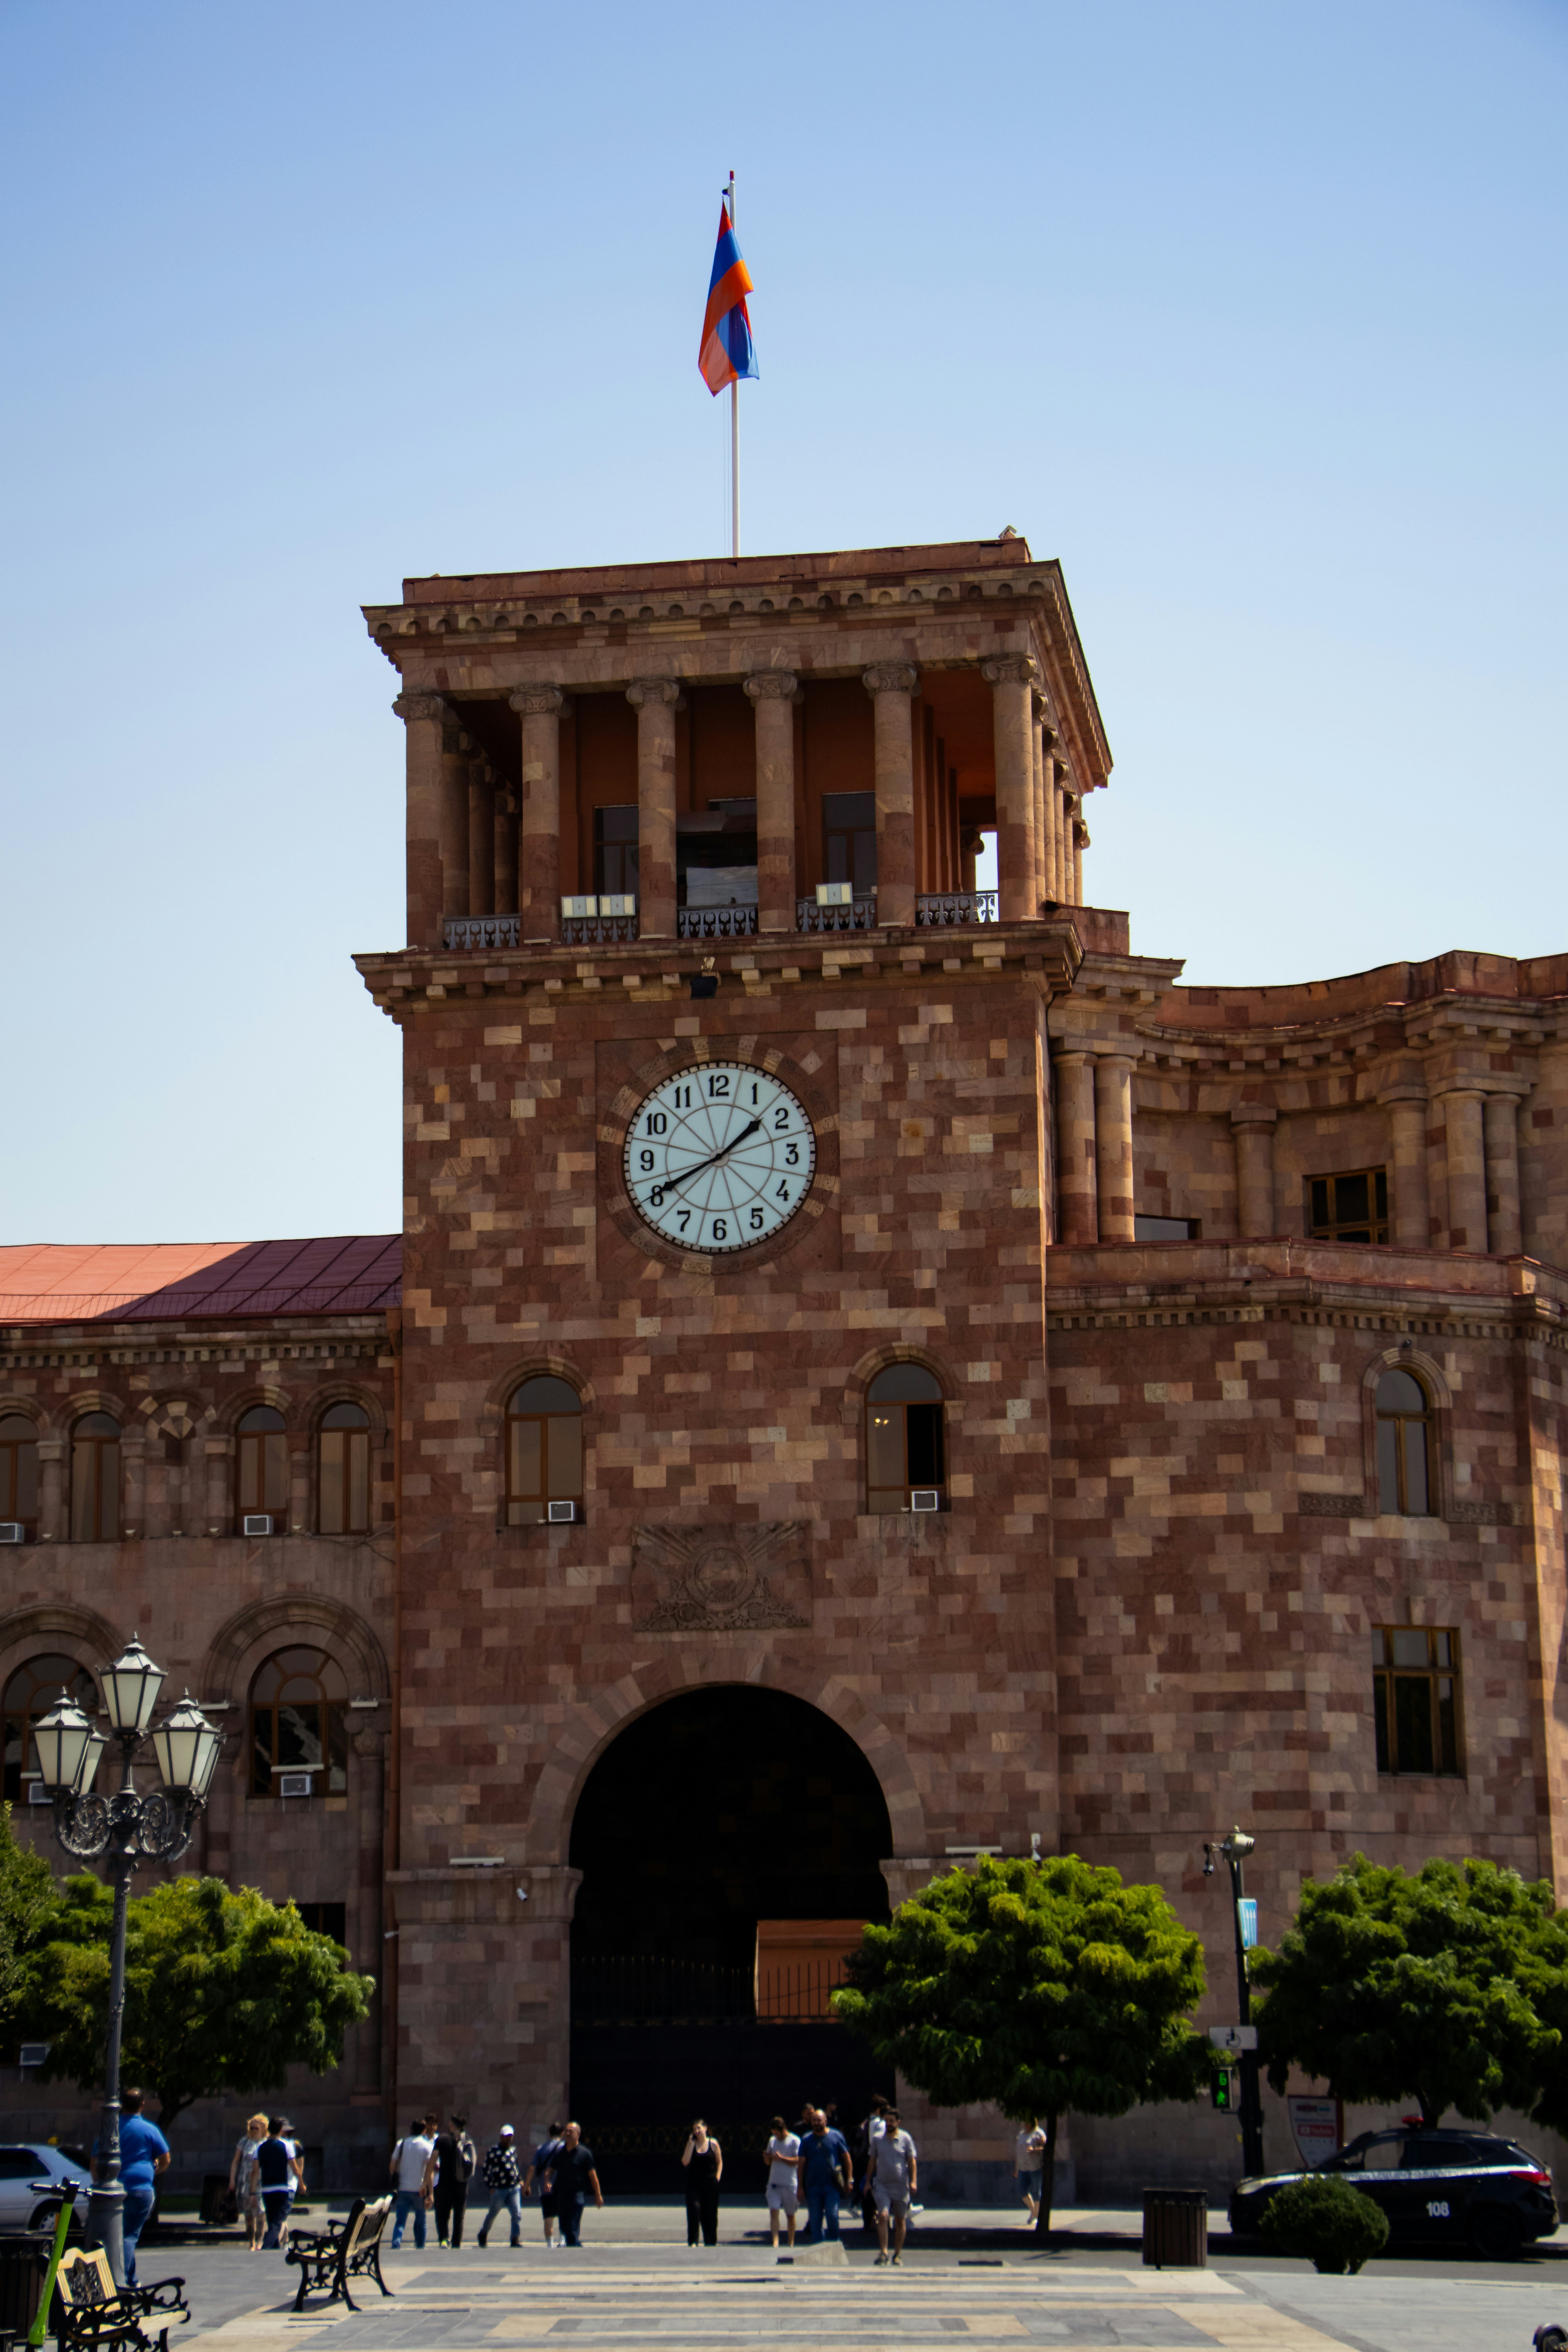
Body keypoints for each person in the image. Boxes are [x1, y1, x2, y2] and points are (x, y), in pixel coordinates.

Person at [94, 2088, 170, 2286]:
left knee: (126, 2235)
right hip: (141, 2190)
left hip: (114, 2190)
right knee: (128, 2236)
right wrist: (154, 2172)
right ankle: (122, 2282)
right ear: (142, 2105)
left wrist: (98, 2182)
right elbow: (165, 2159)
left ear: (121, 2106)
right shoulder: (150, 2129)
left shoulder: (111, 2129)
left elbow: (95, 2161)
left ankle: (131, 2279)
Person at [869, 2106, 918, 2267]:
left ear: (898, 2122)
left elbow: (912, 2161)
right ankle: (883, 2252)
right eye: (886, 2121)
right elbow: (872, 2160)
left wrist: (913, 2181)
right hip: (882, 2185)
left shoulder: (906, 2138)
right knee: (883, 2216)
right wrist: (868, 2181)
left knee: (900, 2220)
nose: (889, 2124)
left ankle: (897, 2254)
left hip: (900, 2186)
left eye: (892, 2121)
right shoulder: (877, 2139)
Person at [795, 2107, 850, 2245]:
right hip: (813, 2187)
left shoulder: (836, 2136)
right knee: (815, 2220)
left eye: (819, 2120)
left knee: (833, 2215)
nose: (816, 2123)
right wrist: (800, 2187)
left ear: (826, 2121)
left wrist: (850, 2180)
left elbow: (846, 2158)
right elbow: (801, 2164)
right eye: (814, 2121)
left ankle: (833, 2244)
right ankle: (819, 2246)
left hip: (832, 2186)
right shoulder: (807, 2139)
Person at [543, 2122, 603, 2247]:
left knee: (573, 2227)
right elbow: (550, 2169)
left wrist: (598, 2195)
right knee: (564, 2227)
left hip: (577, 2195)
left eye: (572, 2131)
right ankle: (576, 2246)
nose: (568, 2133)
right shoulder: (560, 2153)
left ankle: (573, 2251)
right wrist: (547, 2181)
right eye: (567, 2131)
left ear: (579, 2134)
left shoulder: (584, 2153)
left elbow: (593, 2176)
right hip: (562, 2195)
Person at [388, 2115, 436, 2249]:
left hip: (403, 2189)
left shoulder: (401, 2143)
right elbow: (430, 2172)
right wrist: (431, 2193)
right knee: (421, 2220)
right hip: (419, 2190)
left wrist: (397, 2177)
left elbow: (392, 2166)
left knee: (400, 2221)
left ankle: (396, 2243)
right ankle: (420, 2246)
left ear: (411, 2130)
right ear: (424, 2131)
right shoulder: (428, 2146)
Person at [432, 2112, 477, 2248]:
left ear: (452, 2125)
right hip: (461, 2185)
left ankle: (444, 2240)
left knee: (442, 2215)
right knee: (459, 2217)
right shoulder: (468, 2141)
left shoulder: (442, 2139)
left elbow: (432, 2161)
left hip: (444, 2185)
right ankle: (457, 2244)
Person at [476, 2125, 524, 2248]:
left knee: (517, 2214)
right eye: (506, 2136)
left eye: (510, 2137)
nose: (508, 2139)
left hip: (514, 2188)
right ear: (501, 2137)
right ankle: (483, 2233)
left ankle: (515, 2238)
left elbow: (515, 2167)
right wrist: (490, 2185)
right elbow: (486, 2169)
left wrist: (520, 2180)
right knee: (493, 2214)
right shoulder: (494, 2151)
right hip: (499, 2189)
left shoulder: (513, 2150)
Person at [256, 2117, 297, 2253]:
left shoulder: (260, 2147)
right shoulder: (286, 2146)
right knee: (278, 2222)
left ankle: (275, 2249)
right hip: (281, 2188)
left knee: (272, 2219)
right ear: (281, 2130)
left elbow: (255, 2171)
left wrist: (252, 2192)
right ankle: (267, 2247)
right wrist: (301, 2183)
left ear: (268, 2129)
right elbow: (295, 2168)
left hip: (266, 2189)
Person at [680, 2119, 722, 2247]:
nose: (697, 2131)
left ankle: (711, 2242)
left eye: (699, 2128)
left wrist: (717, 2177)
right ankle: (693, 2241)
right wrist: (690, 2143)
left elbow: (719, 2162)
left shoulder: (713, 2143)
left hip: (710, 2184)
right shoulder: (692, 2144)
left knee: (710, 2214)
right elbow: (685, 2162)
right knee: (694, 2211)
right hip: (694, 2185)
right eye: (695, 2130)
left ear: (705, 2128)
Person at [229, 2112, 267, 2251]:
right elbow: (235, 2161)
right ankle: (251, 2242)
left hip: (261, 2183)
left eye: (257, 2128)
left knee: (261, 2212)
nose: (254, 2131)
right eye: (252, 2128)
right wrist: (232, 2179)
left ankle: (260, 2242)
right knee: (249, 2214)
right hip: (245, 2182)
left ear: (263, 2128)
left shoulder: (266, 2142)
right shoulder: (245, 2142)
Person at [762, 2115, 800, 2252]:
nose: (776, 2137)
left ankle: (791, 2242)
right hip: (774, 2184)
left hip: (790, 2184)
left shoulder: (795, 2141)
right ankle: (775, 2242)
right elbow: (768, 2162)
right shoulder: (772, 2141)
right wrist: (767, 2158)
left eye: (777, 2134)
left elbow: (798, 2160)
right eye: (774, 2134)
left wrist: (781, 2158)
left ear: (783, 2130)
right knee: (774, 2211)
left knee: (791, 2215)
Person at [524, 2121, 564, 2248]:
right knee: (564, 2215)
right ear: (562, 2134)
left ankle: (550, 2245)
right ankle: (563, 2241)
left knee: (548, 2218)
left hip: (545, 2189)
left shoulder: (541, 2149)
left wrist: (527, 2185)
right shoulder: (565, 2148)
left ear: (549, 2133)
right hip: (562, 2188)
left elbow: (532, 2168)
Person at [855, 2098, 889, 2238]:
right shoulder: (880, 2124)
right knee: (879, 2192)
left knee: (867, 2192)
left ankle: (868, 2221)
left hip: (866, 2159)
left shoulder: (867, 2122)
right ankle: (880, 2223)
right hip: (877, 2161)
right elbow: (879, 2144)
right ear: (879, 2110)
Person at [1014, 2118, 1047, 2226]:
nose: (1025, 2125)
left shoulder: (1038, 2133)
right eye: (1025, 2123)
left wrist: (1034, 2150)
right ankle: (1034, 2212)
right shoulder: (1022, 2134)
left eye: (1028, 2123)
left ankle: (1036, 2216)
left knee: (1036, 2191)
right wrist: (1016, 2168)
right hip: (1023, 2168)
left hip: (1035, 2167)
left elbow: (1046, 2147)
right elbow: (1018, 2152)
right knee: (1022, 2190)